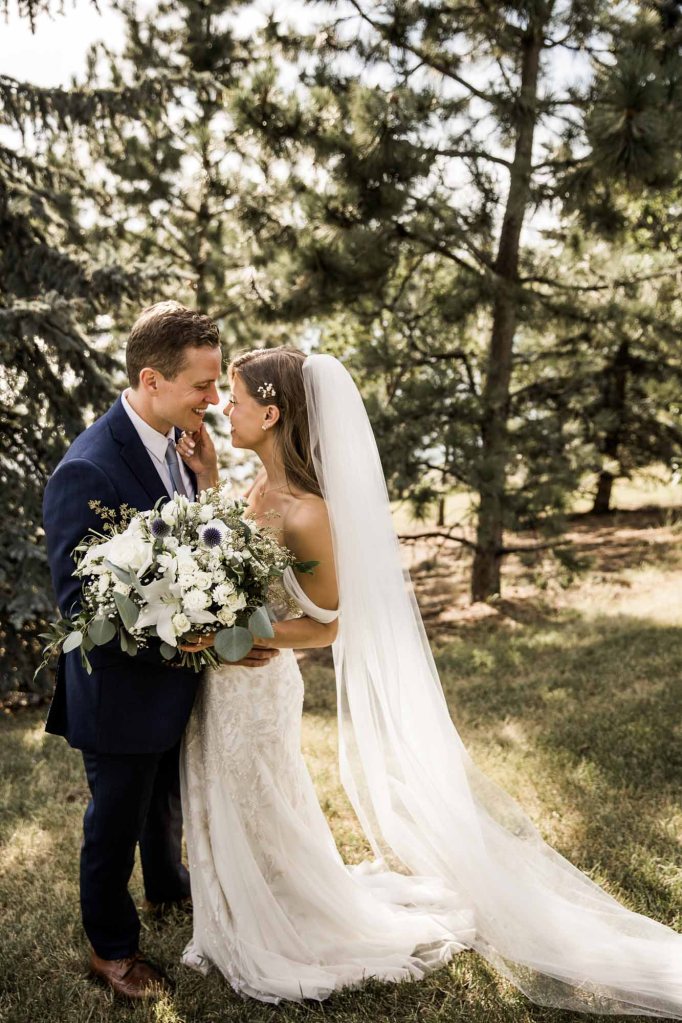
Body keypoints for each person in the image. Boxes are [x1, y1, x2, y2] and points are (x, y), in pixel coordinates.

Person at [176, 346, 682, 1016]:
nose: (224, 407)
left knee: (262, 803)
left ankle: (280, 923)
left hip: (260, 683)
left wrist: (241, 637)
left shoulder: (307, 511)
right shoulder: (257, 489)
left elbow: (327, 624)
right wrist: (209, 477)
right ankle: (234, 912)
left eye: (235, 398)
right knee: (232, 801)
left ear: (270, 413)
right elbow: (234, 563)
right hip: (227, 683)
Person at [42, 302, 278, 1000]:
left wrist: (204, 478)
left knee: (162, 797)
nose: (215, 398)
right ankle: (112, 951)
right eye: (203, 385)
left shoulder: (179, 443)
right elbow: (82, 609)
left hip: (171, 689)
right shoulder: (87, 470)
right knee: (114, 817)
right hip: (118, 690)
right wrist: (201, 647)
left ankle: (169, 887)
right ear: (151, 379)